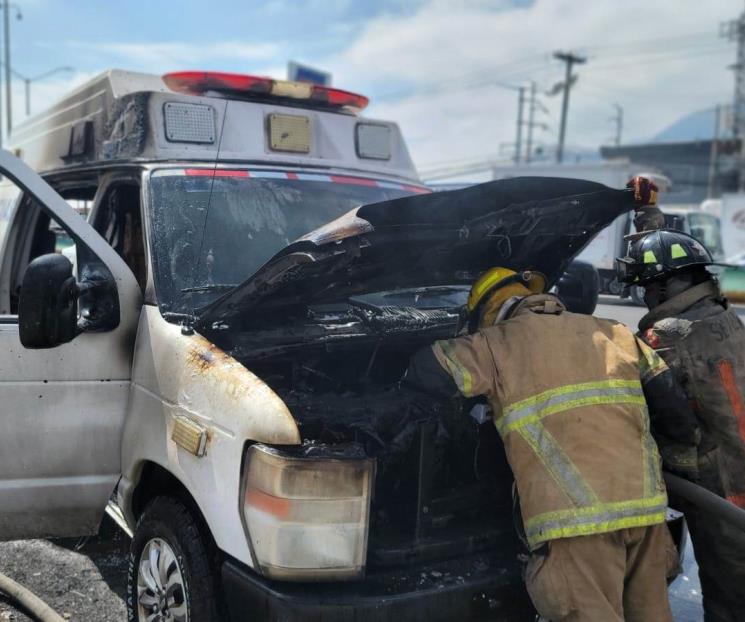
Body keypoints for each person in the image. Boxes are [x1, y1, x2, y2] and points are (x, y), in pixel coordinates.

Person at [403, 267, 699, 622]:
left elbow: (425, 370)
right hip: (646, 513)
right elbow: (676, 412)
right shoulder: (616, 332)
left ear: (488, 313)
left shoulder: (495, 344)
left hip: (575, 526)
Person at [617, 205, 745, 622]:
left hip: (724, 485)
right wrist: (648, 225)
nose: (645, 298)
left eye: (648, 289)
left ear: (670, 285)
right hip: (733, 471)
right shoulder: (722, 318)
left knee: (731, 594)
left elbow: (669, 414)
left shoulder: (669, 336)